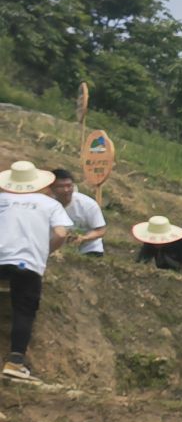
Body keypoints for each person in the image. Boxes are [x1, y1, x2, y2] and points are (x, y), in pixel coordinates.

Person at [0, 159, 72, 382]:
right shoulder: (50, 204)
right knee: (24, 311)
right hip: (27, 263)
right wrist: (45, 251)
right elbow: (61, 234)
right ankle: (15, 363)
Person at [46, 170, 105, 257]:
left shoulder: (88, 205)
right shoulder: (45, 204)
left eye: (69, 186)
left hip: (88, 248)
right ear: (51, 188)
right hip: (54, 248)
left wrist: (84, 238)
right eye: (60, 186)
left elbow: (100, 230)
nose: (66, 190)